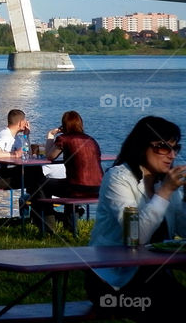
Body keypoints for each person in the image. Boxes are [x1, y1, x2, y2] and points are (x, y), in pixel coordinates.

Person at [86, 116, 186, 317]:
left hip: (154, 277)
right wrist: (165, 192)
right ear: (142, 146)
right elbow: (136, 236)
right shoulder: (118, 178)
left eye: (175, 148)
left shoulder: (164, 183)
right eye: (163, 147)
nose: (171, 155)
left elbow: (183, 231)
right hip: (113, 282)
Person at [32, 110, 103, 230]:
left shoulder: (64, 139)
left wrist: (50, 135)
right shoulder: (91, 140)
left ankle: (48, 228)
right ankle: (70, 227)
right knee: (71, 182)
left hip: (77, 188)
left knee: (40, 184)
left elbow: (50, 156)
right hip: (98, 188)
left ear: (64, 126)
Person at [0, 109, 44, 219]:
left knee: (35, 171)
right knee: (36, 177)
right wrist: (14, 154)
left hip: (3, 173)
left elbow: (27, 154)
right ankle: (37, 213)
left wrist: (26, 136)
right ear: (20, 123)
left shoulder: (15, 138)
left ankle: (34, 211)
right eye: (25, 121)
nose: (27, 123)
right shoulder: (5, 136)